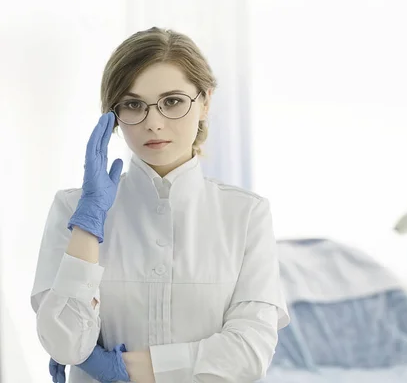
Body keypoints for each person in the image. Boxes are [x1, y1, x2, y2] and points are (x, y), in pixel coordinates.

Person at [30, 27, 290, 383]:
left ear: (205, 102)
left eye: (172, 101)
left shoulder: (246, 215)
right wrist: (89, 223)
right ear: (113, 115)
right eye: (133, 104)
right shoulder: (72, 210)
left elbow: (248, 353)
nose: (153, 123)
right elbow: (64, 345)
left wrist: (126, 371)